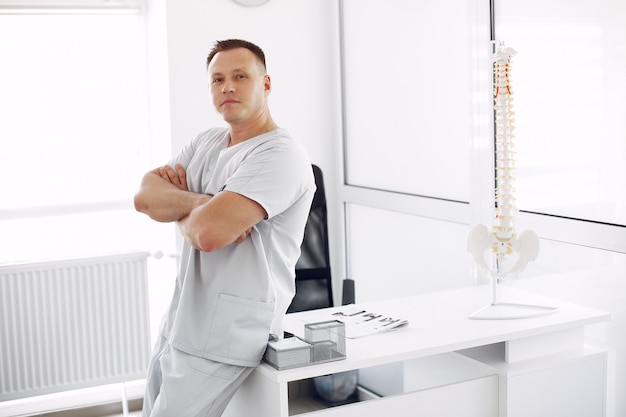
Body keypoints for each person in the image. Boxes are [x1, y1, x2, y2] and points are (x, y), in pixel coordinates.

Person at [134, 39, 316, 417]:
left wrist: (186, 209)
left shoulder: (281, 155)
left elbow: (209, 235)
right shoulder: (207, 141)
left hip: (226, 334)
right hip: (182, 319)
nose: (227, 87)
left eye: (239, 76)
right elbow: (145, 197)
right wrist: (203, 204)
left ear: (266, 84)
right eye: (217, 79)